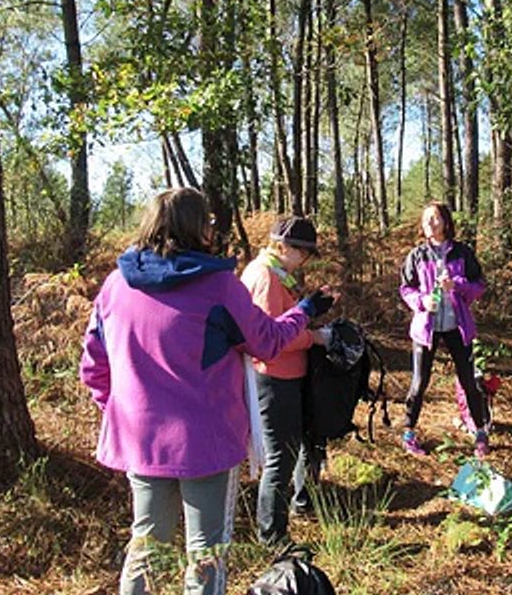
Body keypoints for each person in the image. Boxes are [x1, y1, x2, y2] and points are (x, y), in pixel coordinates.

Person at [80, 188, 336, 595]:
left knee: (146, 544)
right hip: (207, 442)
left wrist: (120, 410)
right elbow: (266, 341)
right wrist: (304, 312)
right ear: (199, 227)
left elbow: (94, 366)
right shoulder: (218, 285)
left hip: (140, 439)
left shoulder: (115, 285)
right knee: (206, 552)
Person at [240, 216, 331, 548]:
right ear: (282, 247)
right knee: (280, 456)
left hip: (287, 375)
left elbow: (285, 322)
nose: (304, 261)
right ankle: (272, 535)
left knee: (289, 451)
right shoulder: (265, 276)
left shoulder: (278, 275)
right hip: (273, 377)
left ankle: (287, 515)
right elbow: (268, 338)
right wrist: (315, 338)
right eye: (302, 253)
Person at [398, 201, 492, 458]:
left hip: (457, 327)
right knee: (419, 383)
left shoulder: (462, 253)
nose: (429, 223)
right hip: (425, 328)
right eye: (426, 219)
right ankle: (408, 433)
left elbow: (479, 285)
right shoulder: (417, 255)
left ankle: (481, 433)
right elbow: (406, 289)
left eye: (435, 218)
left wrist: (457, 286)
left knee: (468, 380)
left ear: (446, 222)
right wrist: (421, 302)